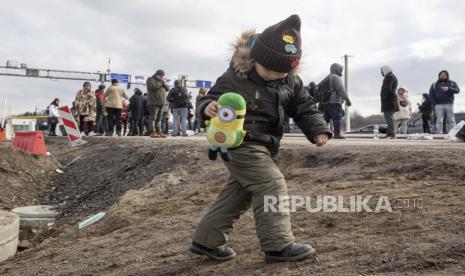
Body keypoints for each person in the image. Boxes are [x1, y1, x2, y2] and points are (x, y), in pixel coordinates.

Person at [191, 15, 332, 262]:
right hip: (239, 142)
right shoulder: (234, 77)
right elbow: (206, 100)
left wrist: (318, 129)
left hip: (265, 145)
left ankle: (207, 240)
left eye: (281, 72)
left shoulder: (290, 80)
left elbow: (305, 107)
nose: (274, 75)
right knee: (270, 184)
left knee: (242, 191)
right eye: (268, 69)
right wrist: (207, 107)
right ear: (256, 59)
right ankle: (278, 245)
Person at [321, 63, 352, 139]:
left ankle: (320, 133)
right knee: (337, 118)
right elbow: (340, 90)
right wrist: (347, 100)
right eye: (340, 69)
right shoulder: (336, 77)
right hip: (334, 102)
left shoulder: (327, 77)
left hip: (326, 102)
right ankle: (337, 134)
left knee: (326, 119)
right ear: (336, 69)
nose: (341, 71)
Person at [146, 69, 169, 138]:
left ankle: (158, 131)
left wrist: (164, 83)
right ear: (157, 74)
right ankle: (152, 132)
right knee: (153, 118)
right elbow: (153, 86)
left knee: (159, 118)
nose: (162, 77)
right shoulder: (150, 79)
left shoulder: (161, 82)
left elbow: (168, 89)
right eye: (161, 76)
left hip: (161, 103)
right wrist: (161, 83)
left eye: (163, 76)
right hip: (153, 102)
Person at [380, 65, 399, 138]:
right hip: (390, 100)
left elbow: (387, 89)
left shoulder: (389, 77)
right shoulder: (392, 76)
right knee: (389, 117)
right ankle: (390, 132)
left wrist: (383, 98)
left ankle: (391, 133)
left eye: (382, 71)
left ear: (385, 70)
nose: (381, 72)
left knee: (389, 117)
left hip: (389, 100)